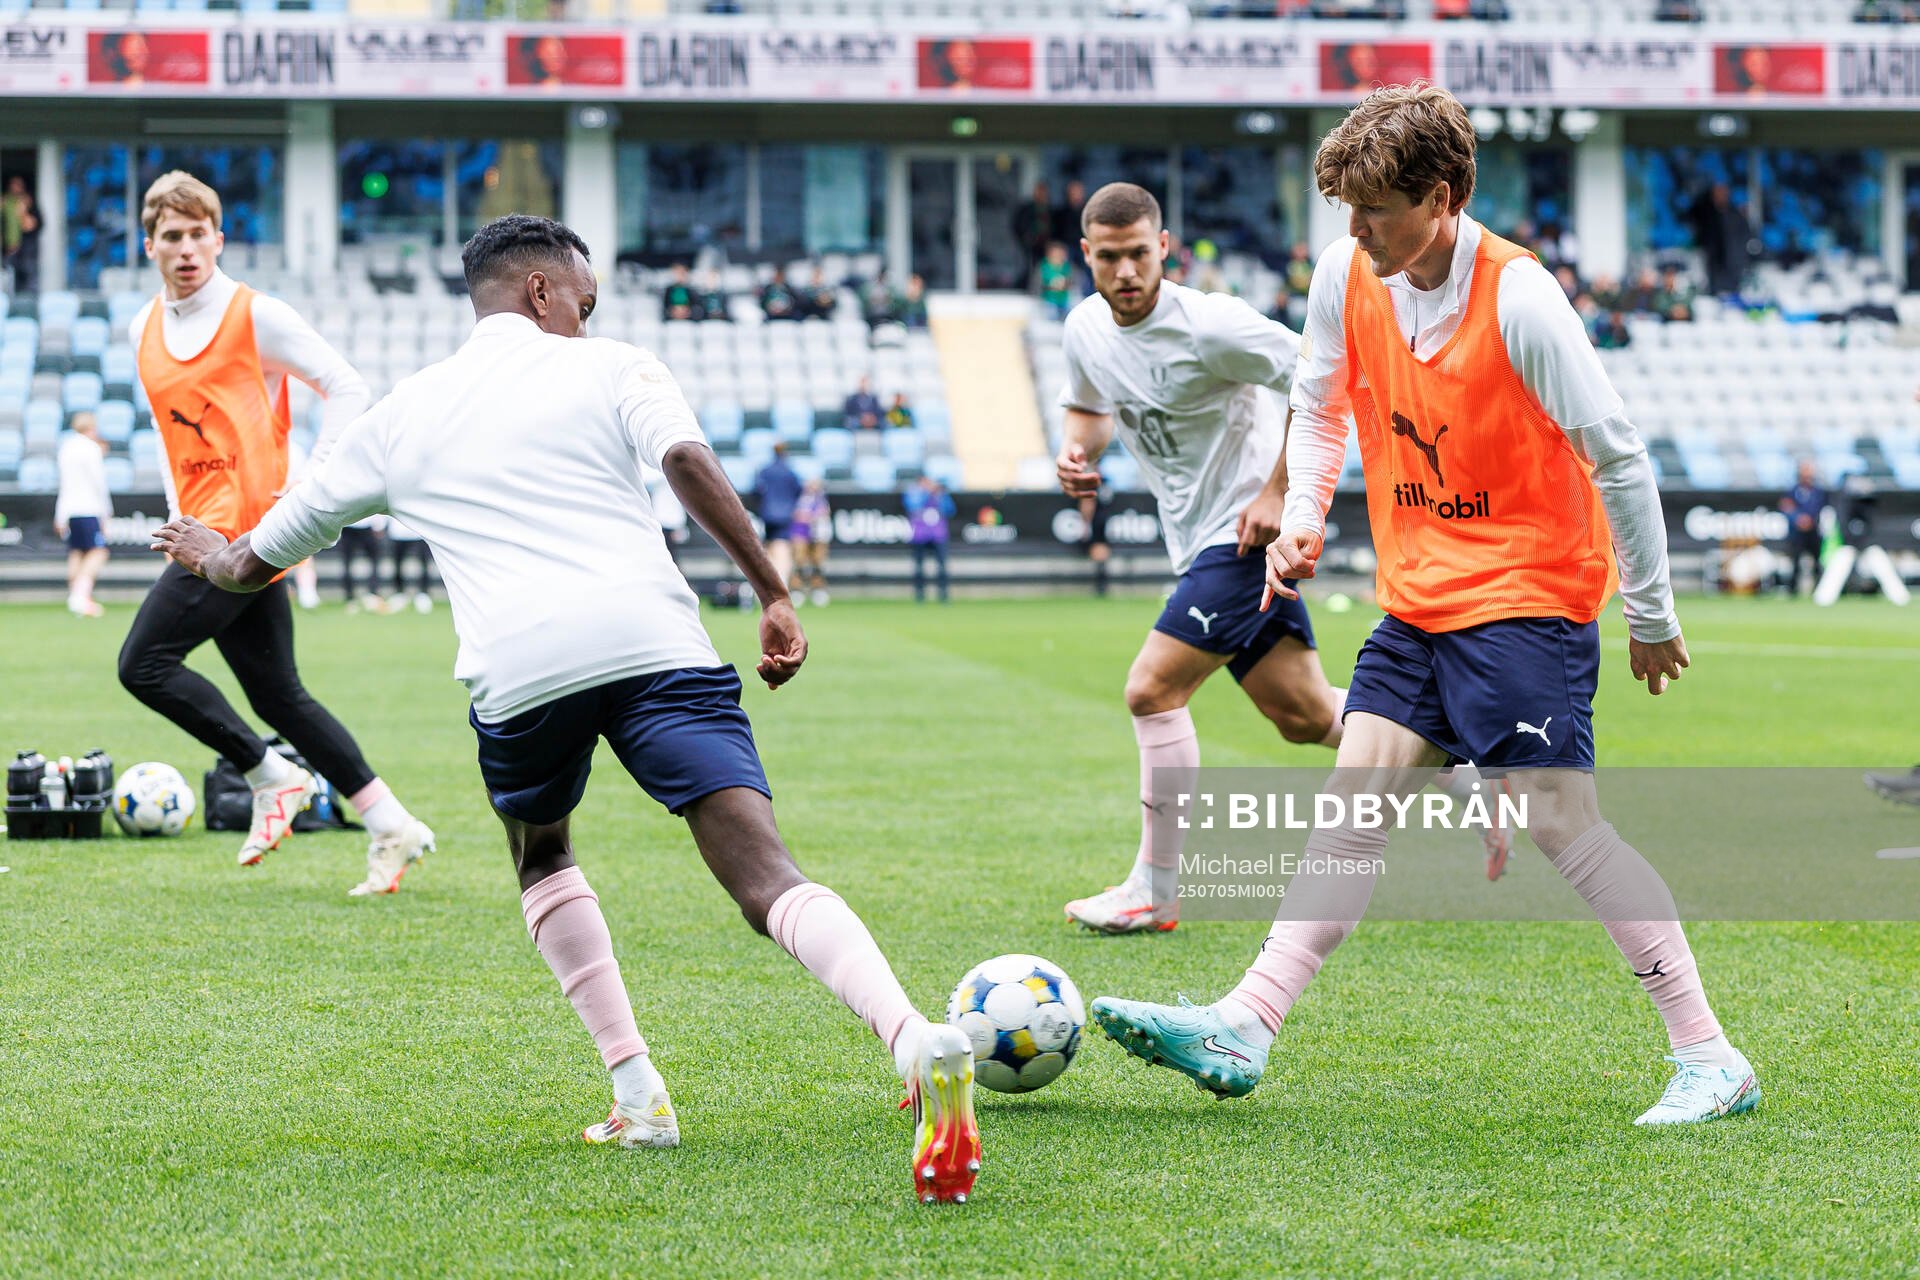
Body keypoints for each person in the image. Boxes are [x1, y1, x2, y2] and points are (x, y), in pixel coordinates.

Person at [151, 213, 983, 1202]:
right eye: (584, 301)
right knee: (766, 873)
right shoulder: (617, 366)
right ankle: (908, 1032)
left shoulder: (401, 416)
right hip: (655, 644)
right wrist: (772, 589)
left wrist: (210, 553)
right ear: (542, 292)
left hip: (523, 671)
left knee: (543, 852)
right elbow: (687, 463)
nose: (590, 317)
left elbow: (253, 558)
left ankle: (641, 1097)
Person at [1091, 86, 1758, 1127]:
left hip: (1530, 597)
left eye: (1374, 214)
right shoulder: (1348, 269)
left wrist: (1653, 613)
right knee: (1348, 815)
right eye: (1344, 214)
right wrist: (1303, 514)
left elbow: (1619, 459)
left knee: (1562, 824)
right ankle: (1246, 1020)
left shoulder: (1523, 301)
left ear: (1441, 199)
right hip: (1418, 598)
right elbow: (1316, 404)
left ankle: (1711, 1054)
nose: (1353, 234)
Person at [119, 170, 432, 894]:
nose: (188, 248)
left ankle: (270, 774)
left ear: (220, 238)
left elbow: (347, 384)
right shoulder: (143, 327)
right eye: (173, 236)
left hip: (249, 531)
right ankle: (391, 824)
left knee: (144, 666)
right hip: (204, 536)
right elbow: (171, 436)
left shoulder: (256, 314)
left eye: (201, 234)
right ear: (151, 246)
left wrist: (312, 481)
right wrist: (177, 515)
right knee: (279, 696)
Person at [1053, 181, 1346, 935]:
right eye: (1109, 258)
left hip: (1244, 537)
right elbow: (1087, 408)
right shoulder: (1085, 329)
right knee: (1306, 716)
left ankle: (1155, 888)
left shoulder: (1212, 326)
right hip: (1195, 540)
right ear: (1086, 256)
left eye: (1139, 255)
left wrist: (1278, 492)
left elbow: (1319, 382)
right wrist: (1076, 452)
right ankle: (1473, 766)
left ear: (1165, 249)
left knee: (1151, 689)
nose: (1126, 273)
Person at [54, 411, 112, 618]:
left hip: (70, 510)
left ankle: (74, 597)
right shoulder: (91, 448)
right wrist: (107, 511)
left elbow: (63, 485)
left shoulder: (66, 448)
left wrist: (59, 515)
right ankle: (81, 596)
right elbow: (99, 483)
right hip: (89, 508)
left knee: (77, 552)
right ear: (92, 427)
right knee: (98, 552)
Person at [753, 441, 802, 597]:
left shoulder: (764, 471)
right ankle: (781, 584)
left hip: (767, 515)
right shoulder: (790, 472)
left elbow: (756, 491)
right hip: (785, 515)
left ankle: (770, 583)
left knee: (769, 549)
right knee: (783, 549)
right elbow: (798, 491)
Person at [1779, 459, 1827, 596]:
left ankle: (1819, 590)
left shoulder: (1818, 492)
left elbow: (1821, 509)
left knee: (1817, 562)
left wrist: (1811, 520)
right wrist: (1798, 519)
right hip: (1797, 533)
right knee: (1795, 562)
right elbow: (1786, 506)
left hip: (1813, 532)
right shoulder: (1792, 491)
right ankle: (1792, 590)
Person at [904, 475, 953, 603]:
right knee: (919, 566)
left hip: (938, 535)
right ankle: (920, 594)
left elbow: (950, 510)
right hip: (920, 535)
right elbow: (912, 507)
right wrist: (926, 493)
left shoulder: (940, 495)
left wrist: (938, 496)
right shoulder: (914, 494)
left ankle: (943, 594)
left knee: (942, 566)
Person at [789, 478, 831, 606]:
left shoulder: (822, 500)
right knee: (799, 562)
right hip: (801, 532)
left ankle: (818, 590)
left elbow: (824, 515)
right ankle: (796, 590)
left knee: (817, 563)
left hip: (819, 533)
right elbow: (797, 515)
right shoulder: (800, 498)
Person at [338, 514, 386, 610]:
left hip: (357, 524)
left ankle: (371, 594)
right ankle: (351, 597)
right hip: (352, 525)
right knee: (348, 563)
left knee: (373, 561)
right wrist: (379, 526)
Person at [2, 176, 39, 294]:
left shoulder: (29, 204)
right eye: (13, 185)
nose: (16, 189)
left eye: (19, 185)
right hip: (7, 249)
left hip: (26, 251)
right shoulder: (5, 203)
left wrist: (23, 211)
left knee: (28, 280)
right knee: (7, 278)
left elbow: (32, 226)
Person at [387, 518, 433, 614]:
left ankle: (423, 593)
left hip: (418, 532)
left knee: (423, 563)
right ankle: (399, 593)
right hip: (397, 533)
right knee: (397, 564)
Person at [1013, 182, 1053, 289]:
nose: (1041, 194)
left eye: (1043, 192)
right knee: (1030, 266)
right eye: (1039, 191)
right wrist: (1025, 237)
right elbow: (1018, 224)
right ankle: (1028, 287)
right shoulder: (1027, 208)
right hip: (1031, 243)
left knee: (1045, 266)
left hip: (1046, 244)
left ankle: (1044, 288)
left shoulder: (1049, 209)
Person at [1039, 242, 1074, 319]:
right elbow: (1038, 285)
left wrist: (1065, 283)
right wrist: (1051, 286)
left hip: (1064, 301)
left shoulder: (1066, 267)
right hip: (1049, 301)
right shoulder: (1044, 267)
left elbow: (1073, 281)